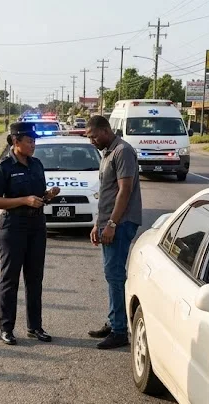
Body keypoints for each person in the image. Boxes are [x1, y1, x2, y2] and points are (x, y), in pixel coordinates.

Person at [0, 121, 59, 345]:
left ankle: (35, 326)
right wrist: (24, 200)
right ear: (16, 141)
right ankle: (6, 328)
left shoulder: (36, 164)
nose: (33, 145)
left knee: (35, 278)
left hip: (36, 225)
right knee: (10, 279)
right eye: (29, 141)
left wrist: (47, 195)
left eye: (34, 141)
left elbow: (38, 195)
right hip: (13, 227)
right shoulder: (3, 167)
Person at [85, 115, 142, 349]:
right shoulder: (108, 152)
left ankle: (119, 331)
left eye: (94, 136)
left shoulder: (122, 151)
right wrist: (98, 223)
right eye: (89, 138)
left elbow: (124, 190)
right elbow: (107, 193)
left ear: (106, 130)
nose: (92, 141)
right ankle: (114, 321)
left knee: (115, 275)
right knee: (112, 275)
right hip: (109, 221)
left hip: (121, 222)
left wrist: (112, 224)